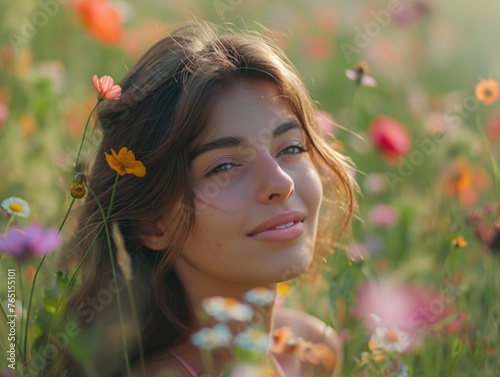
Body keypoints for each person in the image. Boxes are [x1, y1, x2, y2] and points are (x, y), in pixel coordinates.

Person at [49, 20, 356, 377]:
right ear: (152, 223)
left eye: (291, 147)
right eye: (224, 166)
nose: (280, 182)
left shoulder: (310, 351)